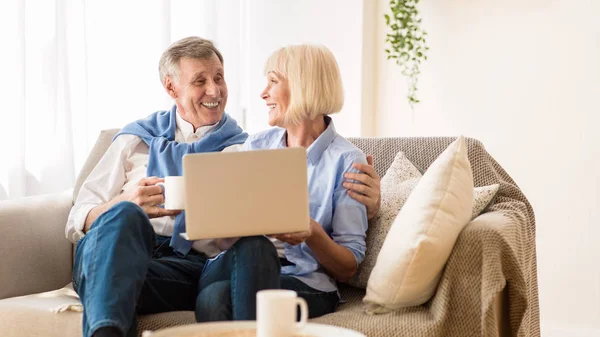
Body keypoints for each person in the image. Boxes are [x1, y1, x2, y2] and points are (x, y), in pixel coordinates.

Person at [66, 36, 381, 337]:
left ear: (301, 86)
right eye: (200, 81)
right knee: (124, 217)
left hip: (209, 268)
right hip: (128, 250)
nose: (215, 89)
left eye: (219, 77)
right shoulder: (137, 139)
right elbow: (78, 216)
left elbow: (345, 262)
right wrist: (125, 203)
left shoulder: (244, 148)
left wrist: (317, 226)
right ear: (170, 87)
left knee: (233, 272)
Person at [195, 44, 371, 321]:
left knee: (214, 299)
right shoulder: (256, 146)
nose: (263, 93)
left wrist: (311, 232)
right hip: (236, 265)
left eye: (273, 81)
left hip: (305, 282)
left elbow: (347, 267)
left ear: (303, 86)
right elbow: (224, 241)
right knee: (253, 247)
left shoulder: (347, 161)